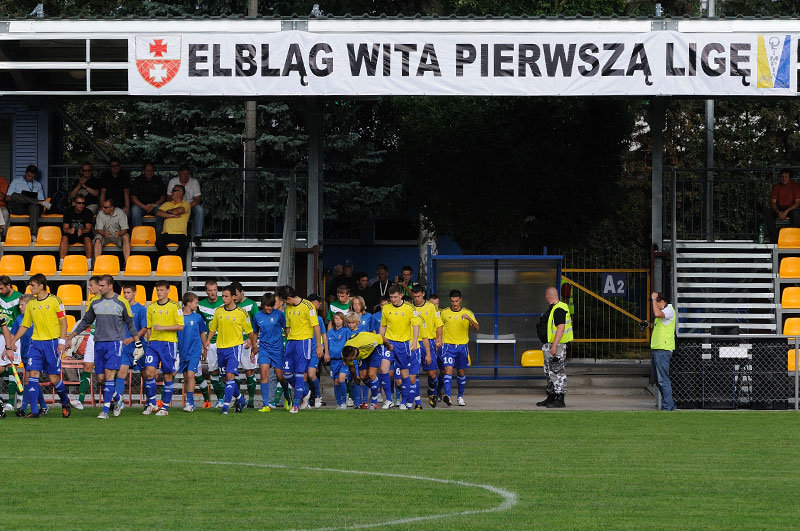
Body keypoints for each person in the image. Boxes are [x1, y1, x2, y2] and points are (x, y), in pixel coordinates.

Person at [65, 274, 141, 419]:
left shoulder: (121, 302)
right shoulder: (95, 302)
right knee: (100, 379)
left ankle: (105, 410)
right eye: (98, 285)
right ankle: (117, 399)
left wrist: (137, 342)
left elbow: (130, 324)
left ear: (110, 286)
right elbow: (86, 321)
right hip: (98, 343)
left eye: (102, 285)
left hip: (114, 343)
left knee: (109, 375)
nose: (99, 288)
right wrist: (71, 336)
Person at [9, 274, 71, 418]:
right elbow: (25, 325)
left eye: (33, 285)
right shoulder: (31, 304)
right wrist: (12, 342)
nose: (30, 287)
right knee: (33, 375)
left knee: (54, 379)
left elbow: (64, 322)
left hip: (52, 343)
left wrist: (62, 342)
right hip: (35, 343)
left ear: (41, 285)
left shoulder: (55, 300)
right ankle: (35, 411)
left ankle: (65, 401)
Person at [204, 284, 258, 414]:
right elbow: (213, 328)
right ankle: (240, 399)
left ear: (234, 297)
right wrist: (206, 341)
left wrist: (254, 346)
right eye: (222, 296)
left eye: (226, 296)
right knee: (225, 379)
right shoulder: (219, 311)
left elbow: (250, 332)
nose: (223, 298)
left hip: (234, 348)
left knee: (229, 376)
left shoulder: (242, 313)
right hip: (220, 348)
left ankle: (226, 407)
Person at [275, 285, 323, 414]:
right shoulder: (289, 308)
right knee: (287, 374)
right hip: (291, 343)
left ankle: (296, 405)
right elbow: (288, 327)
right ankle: (305, 392)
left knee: (300, 373)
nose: (284, 304)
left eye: (285, 301)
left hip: (304, 343)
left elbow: (316, 327)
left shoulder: (308, 306)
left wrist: (319, 346)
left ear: (289, 298)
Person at [142, 280, 184, 415]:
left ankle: (165, 407)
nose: (159, 292)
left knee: (167, 375)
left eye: (161, 290)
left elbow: (180, 326)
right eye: (157, 290)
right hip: (153, 344)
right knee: (149, 372)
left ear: (168, 291)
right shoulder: (151, 307)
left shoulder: (175, 306)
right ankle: (152, 403)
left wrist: (163, 328)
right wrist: (149, 342)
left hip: (168, 344)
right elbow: (148, 327)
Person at [379, 285, 422, 410]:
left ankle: (404, 401)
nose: (393, 299)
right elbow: (383, 325)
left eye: (395, 297)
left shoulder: (409, 308)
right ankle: (388, 399)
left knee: (404, 373)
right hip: (389, 342)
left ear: (401, 295)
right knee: (383, 368)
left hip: (404, 344)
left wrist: (414, 340)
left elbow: (415, 325)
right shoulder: (386, 308)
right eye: (391, 297)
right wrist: (381, 337)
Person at [341, 317, 393, 409]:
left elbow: (380, 337)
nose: (349, 361)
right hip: (364, 354)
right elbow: (352, 367)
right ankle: (376, 386)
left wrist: (389, 346)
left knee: (372, 374)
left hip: (374, 350)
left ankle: (374, 401)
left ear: (354, 356)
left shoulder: (368, 342)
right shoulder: (345, 353)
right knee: (363, 376)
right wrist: (355, 378)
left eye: (350, 359)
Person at [440, 289, 478, 407]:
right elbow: (439, 327)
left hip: (462, 347)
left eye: (456, 301)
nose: (455, 303)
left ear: (460, 300)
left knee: (460, 371)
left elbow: (477, 327)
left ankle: (460, 396)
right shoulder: (444, 312)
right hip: (448, 346)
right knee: (448, 370)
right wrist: (438, 339)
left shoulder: (468, 312)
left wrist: (469, 319)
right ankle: (448, 396)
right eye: (452, 301)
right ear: (450, 301)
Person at [535, 286, 572, 409]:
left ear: (547, 296)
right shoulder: (554, 308)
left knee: (557, 371)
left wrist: (554, 346)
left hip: (557, 346)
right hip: (550, 345)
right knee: (549, 372)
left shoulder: (559, 308)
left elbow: (560, 328)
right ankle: (551, 396)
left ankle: (560, 398)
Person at [115, 283, 149, 415]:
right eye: (124, 293)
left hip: (138, 346)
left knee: (145, 375)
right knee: (121, 372)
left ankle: (148, 403)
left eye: (128, 292)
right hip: (125, 346)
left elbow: (144, 328)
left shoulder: (141, 309)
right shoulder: (121, 308)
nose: (126, 295)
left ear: (134, 293)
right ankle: (119, 401)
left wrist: (133, 339)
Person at [254, 292, 289, 413]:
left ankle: (287, 394)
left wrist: (289, 345)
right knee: (264, 375)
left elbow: (286, 329)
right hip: (264, 348)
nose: (269, 308)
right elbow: (254, 332)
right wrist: (254, 347)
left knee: (280, 376)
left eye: (271, 306)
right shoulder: (257, 316)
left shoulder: (279, 314)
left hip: (278, 349)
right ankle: (266, 404)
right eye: (266, 306)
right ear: (263, 305)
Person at [411, 286, 443, 408]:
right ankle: (416, 400)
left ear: (423, 294)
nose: (417, 299)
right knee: (414, 373)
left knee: (432, 373)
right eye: (414, 296)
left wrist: (439, 338)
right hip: (414, 342)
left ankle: (431, 391)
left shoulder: (431, 306)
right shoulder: (410, 307)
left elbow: (439, 324)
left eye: (419, 296)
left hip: (428, 342)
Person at [177, 292, 209, 412]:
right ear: (189, 303)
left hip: (195, 350)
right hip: (183, 350)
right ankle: (189, 401)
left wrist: (204, 347)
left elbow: (202, 332)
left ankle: (190, 402)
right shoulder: (178, 316)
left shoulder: (197, 317)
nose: (197, 304)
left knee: (191, 374)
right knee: (186, 377)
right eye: (196, 302)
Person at [72, 276, 101, 409]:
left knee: (105, 373)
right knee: (87, 366)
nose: (89, 288)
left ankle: (114, 398)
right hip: (92, 337)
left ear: (99, 286)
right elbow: (87, 320)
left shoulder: (109, 300)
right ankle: (81, 400)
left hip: (105, 339)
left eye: (91, 286)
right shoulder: (92, 300)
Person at [11, 295, 41, 416]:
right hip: (24, 352)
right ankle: (43, 406)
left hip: (36, 352)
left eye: (22, 304)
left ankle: (23, 408)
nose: (20, 306)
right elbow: (13, 334)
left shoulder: (37, 318)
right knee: (32, 381)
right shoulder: (19, 318)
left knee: (28, 380)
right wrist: (8, 347)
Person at [198, 279, 225, 407]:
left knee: (227, 372)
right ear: (206, 291)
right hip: (211, 344)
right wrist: (204, 345)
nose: (213, 293)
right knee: (214, 372)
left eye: (215, 290)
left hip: (225, 342)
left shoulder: (224, 302)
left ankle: (231, 398)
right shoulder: (201, 305)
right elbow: (200, 327)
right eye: (210, 290)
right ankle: (220, 399)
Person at [232, 281, 259, 408]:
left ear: (242, 292)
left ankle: (251, 401)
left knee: (249, 371)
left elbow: (258, 324)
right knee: (233, 371)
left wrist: (251, 339)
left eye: (236, 294)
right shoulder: (230, 306)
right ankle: (239, 399)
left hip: (248, 342)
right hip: (234, 342)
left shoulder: (252, 305)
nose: (234, 297)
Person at [7, 165, 51, 237]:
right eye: (29, 176)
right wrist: (27, 199)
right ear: (25, 173)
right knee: (14, 195)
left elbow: (42, 201)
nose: (30, 178)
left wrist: (33, 201)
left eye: (33, 177)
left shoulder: (38, 184)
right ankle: (35, 201)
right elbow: (8, 198)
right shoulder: (16, 181)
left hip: (31, 208)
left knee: (35, 207)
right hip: (19, 208)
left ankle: (33, 234)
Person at [650, 291, 676, 411]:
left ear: (662, 302)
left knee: (663, 379)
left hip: (663, 350)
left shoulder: (669, 310)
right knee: (657, 379)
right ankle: (669, 404)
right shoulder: (663, 313)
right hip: (657, 349)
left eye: (656, 302)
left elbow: (657, 313)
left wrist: (653, 300)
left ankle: (668, 406)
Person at [166, 164, 204, 246]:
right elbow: (169, 198)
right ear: (179, 174)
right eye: (183, 174)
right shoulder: (173, 182)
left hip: (191, 204)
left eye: (187, 174)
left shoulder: (194, 182)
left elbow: (197, 199)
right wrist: (177, 207)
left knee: (200, 209)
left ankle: (197, 236)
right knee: (166, 209)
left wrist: (186, 207)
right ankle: (165, 235)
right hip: (175, 205)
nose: (186, 176)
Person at [0, 275, 22, 410]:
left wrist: (13, 341)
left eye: (2, 288)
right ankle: (20, 391)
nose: (0, 291)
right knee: (2, 368)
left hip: (14, 336)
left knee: (11, 365)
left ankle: (10, 401)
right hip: (1, 334)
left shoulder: (20, 298)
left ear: (9, 286)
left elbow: (22, 318)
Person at [306, 294, 328, 409]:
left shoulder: (319, 319)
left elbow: (324, 335)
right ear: (312, 302)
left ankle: (318, 396)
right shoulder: (304, 316)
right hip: (304, 349)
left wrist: (324, 349)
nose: (320, 304)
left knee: (311, 374)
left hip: (315, 350)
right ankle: (305, 399)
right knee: (304, 376)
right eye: (318, 301)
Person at [765, 168, 800, 242]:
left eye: (786, 177)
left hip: (791, 208)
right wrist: (778, 212)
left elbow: (797, 203)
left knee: (796, 214)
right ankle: (775, 239)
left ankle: (792, 238)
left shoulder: (795, 186)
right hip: (779, 207)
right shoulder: (776, 186)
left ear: (789, 178)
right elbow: (773, 202)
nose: (784, 179)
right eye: (782, 177)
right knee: (768, 212)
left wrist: (786, 211)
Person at [155, 184, 190, 259]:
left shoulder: (186, 204)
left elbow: (179, 210)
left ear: (180, 192)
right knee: (158, 243)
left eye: (174, 190)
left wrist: (166, 212)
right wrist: (172, 215)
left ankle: (175, 259)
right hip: (166, 234)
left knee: (185, 243)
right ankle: (170, 258)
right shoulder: (167, 203)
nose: (171, 193)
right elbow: (159, 213)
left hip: (180, 234)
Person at [93, 198, 131, 266]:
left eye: (105, 207)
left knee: (125, 236)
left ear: (112, 208)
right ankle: (97, 263)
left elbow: (125, 229)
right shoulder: (100, 214)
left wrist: (119, 233)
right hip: (104, 236)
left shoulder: (120, 213)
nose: (103, 209)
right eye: (103, 207)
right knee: (98, 239)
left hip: (118, 236)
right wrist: (104, 233)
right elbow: (99, 230)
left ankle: (127, 263)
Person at [130, 161, 166, 231]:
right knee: (134, 209)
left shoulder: (158, 180)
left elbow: (163, 197)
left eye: (152, 171)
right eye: (148, 171)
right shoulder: (137, 180)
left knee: (161, 209)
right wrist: (143, 206)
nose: (150, 173)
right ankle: (138, 235)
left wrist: (153, 205)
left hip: (155, 206)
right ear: (143, 171)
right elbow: (133, 197)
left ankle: (158, 237)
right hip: (141, 206)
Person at [59, 197, 94, 268]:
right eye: (79, 203)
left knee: (88, 238)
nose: (81, 205)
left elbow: (88, 228)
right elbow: (65, 228)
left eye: (83, 203)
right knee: (64, 237)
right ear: (74, 203)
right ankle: (62, 263)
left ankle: (89, 264)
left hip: (83, 234)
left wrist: (82, 231)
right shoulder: (68, 211)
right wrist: (69, 230)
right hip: (71, 233)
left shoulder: (88, 212)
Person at [327, 312, 350, 409]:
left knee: (341, 379)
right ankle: (339, 403)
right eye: (336, 318)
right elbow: (326, 344)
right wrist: (326, 353)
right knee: (336, 382)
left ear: (343, 320)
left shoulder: (346, 331)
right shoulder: (330, 332)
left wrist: (347, 357)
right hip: (334, 360)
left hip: (343, 360)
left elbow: (349, 344)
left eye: (340, 319)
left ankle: (344, 402)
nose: (338, 320)